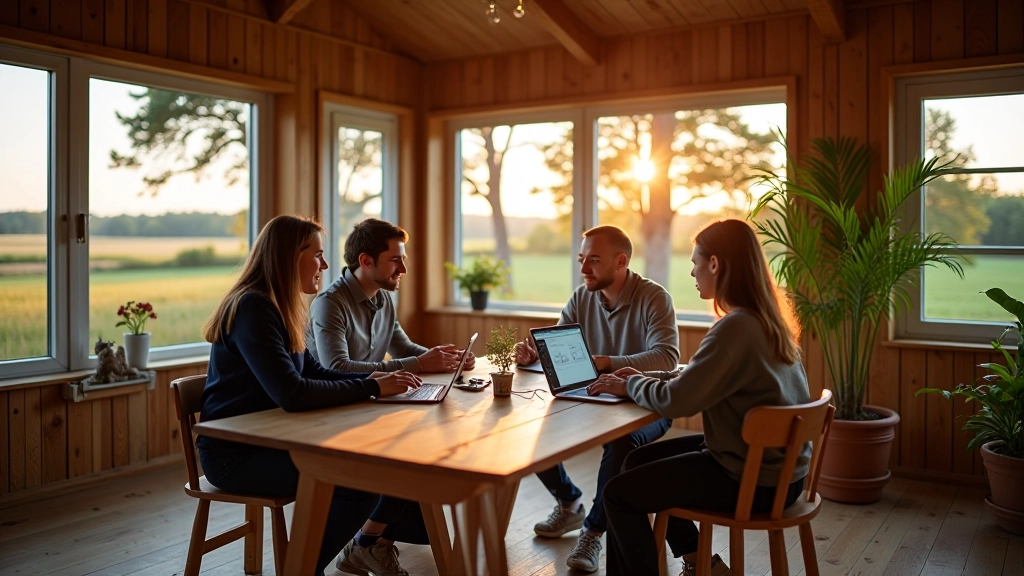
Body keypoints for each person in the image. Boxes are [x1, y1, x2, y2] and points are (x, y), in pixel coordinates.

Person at [196, 215, 427, 576]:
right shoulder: (253, 308)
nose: (325, 264)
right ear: (290, 257)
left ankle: (344, 552)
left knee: (389, 459)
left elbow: (314, 372)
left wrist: (378, 379)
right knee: (360, 480)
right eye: (317, 254)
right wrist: (372, 385)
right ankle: (304, 569)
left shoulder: (279, 305)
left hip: (273, 437)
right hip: (235, 454)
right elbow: (292, 392)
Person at [593, 219, 811, 576]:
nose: (692, 272)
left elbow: (680, 401)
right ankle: (699, 563)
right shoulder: (765, 320)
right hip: (780, 472)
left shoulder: (735, 328)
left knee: (618, 495)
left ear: (715, 264)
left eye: (695, 262)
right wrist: (644, 377)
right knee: (633, 463)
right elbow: (698, 377)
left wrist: (628, 386)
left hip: (753, 480)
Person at [513, 225, 679, 573]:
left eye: (594, 260)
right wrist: (536, 358)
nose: (584, 268)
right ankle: (569, 501)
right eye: (581, 260)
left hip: (647, 404)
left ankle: (592, 531)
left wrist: (604, 363)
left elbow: (666, 359)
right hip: (594, 396)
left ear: (621, 261)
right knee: (529, 424)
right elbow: (560, 352)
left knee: (621, 444)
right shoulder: (581, 297)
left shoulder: (654, 297)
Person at [306, 218, 474, 374]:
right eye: (395, 260)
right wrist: (420, 364)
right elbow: (338, 368)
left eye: (403, 259)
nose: (403, 269)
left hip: (370, 398)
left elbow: (404, 350)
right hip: (333, 405)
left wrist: (451, 359)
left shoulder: (383, 298)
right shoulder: (330, 303)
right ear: (366, 262)